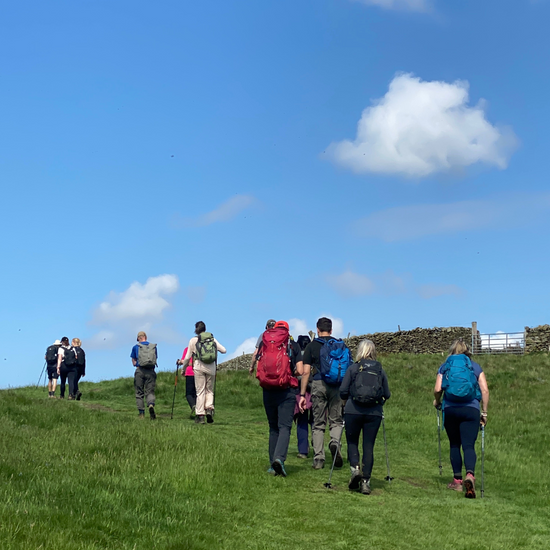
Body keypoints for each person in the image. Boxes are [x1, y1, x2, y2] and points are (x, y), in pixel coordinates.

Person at [433, 338, 489, 499]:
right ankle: (470, 475)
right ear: (467, 351)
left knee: (454, 444)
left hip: (450, 409)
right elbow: (484, 390)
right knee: (469, 445)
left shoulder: (445, 366)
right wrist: (484, 412)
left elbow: (438, 388)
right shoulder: (474, 366)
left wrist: (437, 401)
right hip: (471, 409)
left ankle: (457, 481)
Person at [340, 339, 391, 495]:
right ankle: (366, 482)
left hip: (353, 410)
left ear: (360, 351)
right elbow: (387, 394)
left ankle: (355, 469)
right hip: (373, 412)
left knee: (352, 441)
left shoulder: (353, 368)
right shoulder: (379, 370)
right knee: (368, 445)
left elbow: (342, 391)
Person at [252, 320, 303, 476]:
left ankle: (272, 466)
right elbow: (300, 370)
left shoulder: (265, 342)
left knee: (273, 427)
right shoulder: (293, 345)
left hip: (268, 389)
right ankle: (279, 459)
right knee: (284, 427)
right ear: (287, 331)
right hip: (286, 390)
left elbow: (258, 362)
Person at [298, 317, 345, 470]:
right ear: (331, 330)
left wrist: (303, 395)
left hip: (318, 384)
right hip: (337, 386)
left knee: (318, 423)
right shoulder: (339, 345)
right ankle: (335, 443)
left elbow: (305, 373)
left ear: (317, 330)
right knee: (336, 420)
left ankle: (319, 458)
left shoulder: (312, 346)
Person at [180, 322, 226, 424]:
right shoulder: (212, 339)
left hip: (199, 367)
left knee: (200, 391)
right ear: (205, 329)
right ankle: (209, 409)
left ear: (196, 330)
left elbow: (187, 358)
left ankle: (200, 416)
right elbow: (224, 350)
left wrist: (183, 369)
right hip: (211, 367)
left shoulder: (193, 340)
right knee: (209, 390)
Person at [131, 331, 158, 419]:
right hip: (151, 371)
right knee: (149, 391)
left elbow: (134, 362)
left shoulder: (136, 347)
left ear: (139, 338)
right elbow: (155, 358)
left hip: (140, 371)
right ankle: (150, 404)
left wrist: (137, 364)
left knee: (139, 392)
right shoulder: (152, 347)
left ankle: (141, 413)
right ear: (145, 337)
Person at [295, 335, 312, 459]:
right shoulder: (313, 354)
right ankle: (318, 449)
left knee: (302, 421)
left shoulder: (297, 356)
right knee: (317, 421)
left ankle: (303, 450)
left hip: (300, 391)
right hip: (315, 389)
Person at [177, 346, 196, 417]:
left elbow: (184, 361)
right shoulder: (200, 349)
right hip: (199, 373)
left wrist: (179, 362)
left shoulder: (187, 349)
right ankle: (199, 410)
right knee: (197, 393)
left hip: (189, 372)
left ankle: (193, 406)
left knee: (189, 394)